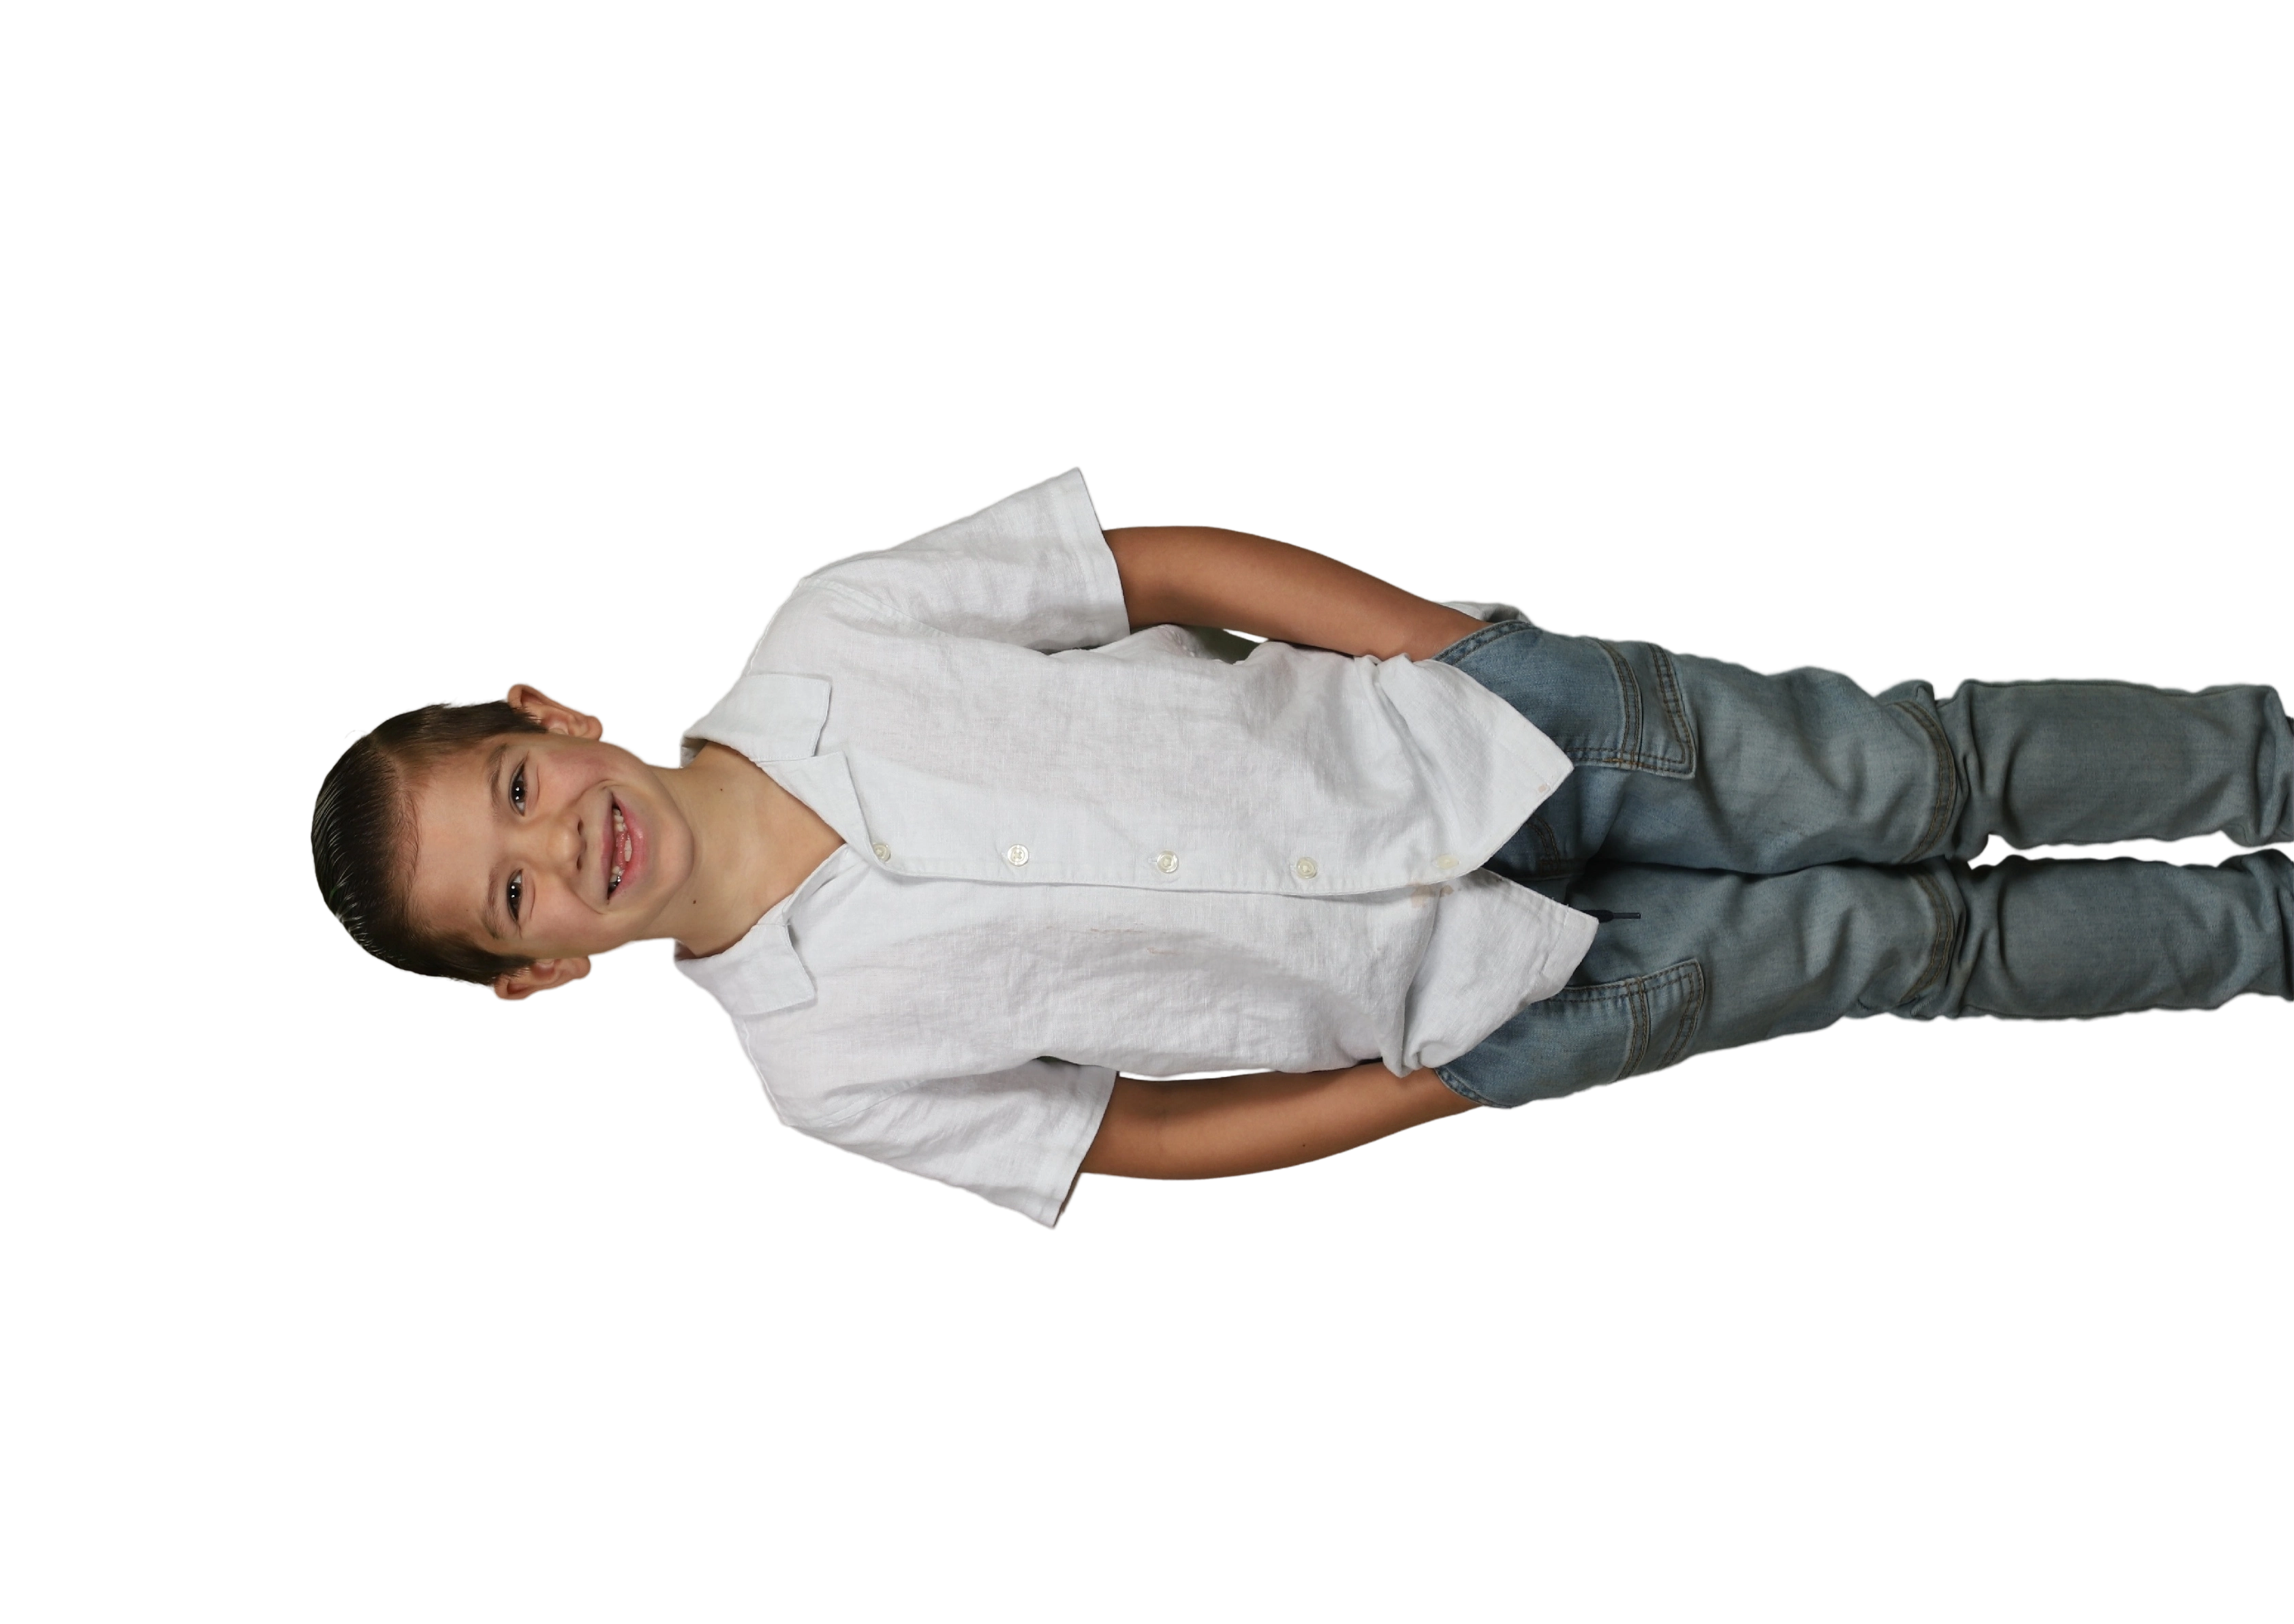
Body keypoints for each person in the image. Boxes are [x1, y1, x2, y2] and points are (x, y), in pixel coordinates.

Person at [305, 465, 2294, 1230]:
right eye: (513, 893)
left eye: (516, 790)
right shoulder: (819, 1074)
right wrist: (1427, 1088)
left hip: (1506, 741)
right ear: (538, 972)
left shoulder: (834, 628)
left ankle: (2266, 767)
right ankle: (2260, 944)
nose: (561, 845)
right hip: (1499, 1002)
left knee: (1919, 773)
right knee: (1916, 955)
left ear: (553, 717)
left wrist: (1450, 652)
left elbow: (1145, 565)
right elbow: (1141, 1141)